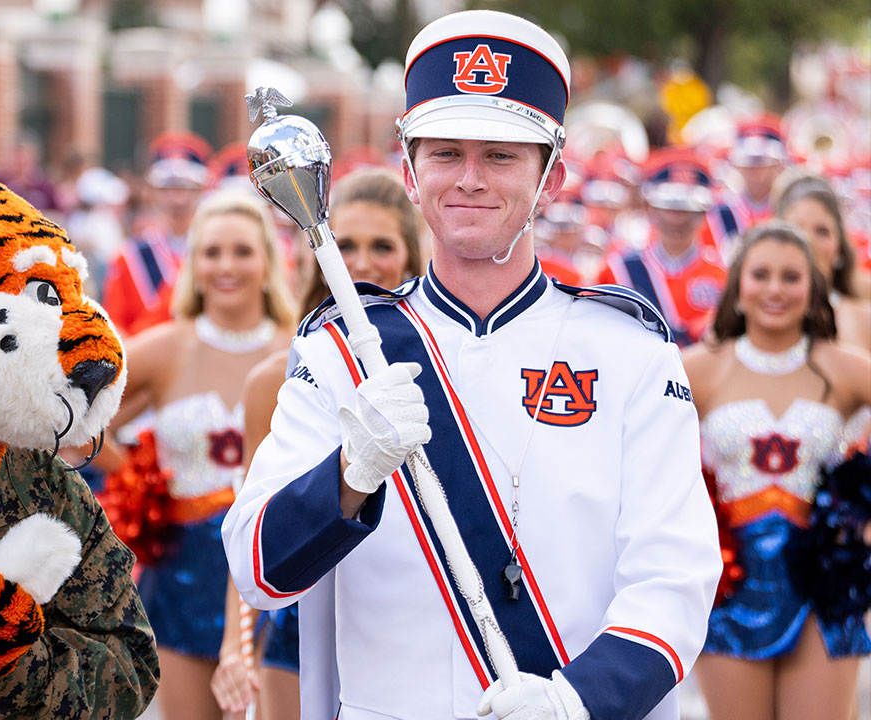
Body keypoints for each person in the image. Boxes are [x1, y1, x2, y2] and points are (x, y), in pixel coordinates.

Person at [223, 10, 721, 720]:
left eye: (502, 156)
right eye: (446, 153)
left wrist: (573, 703)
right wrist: (348, 475)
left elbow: (675, 576)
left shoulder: (630, 352)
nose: (470, 180)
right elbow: (255, 570)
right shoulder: (338, 351)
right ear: (410, 172)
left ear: (550, 179)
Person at [211, 167, 424, 720]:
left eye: (381, 245)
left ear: (409, 255)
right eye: (343, 243)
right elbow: (256, 516)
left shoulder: (439, 364)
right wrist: (236, 645)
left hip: (407, 623)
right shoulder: (276, 376)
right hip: (301, 617)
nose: (359, 261)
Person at [112, 189, 294, 720]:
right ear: (193, 263)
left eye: (241, 251)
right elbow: (78, 426)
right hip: (185, 571)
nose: (226, 266)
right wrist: (136, 479)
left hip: (276, 570)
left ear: (267, 258)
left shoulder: (300, 347)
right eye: (211, 252)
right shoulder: (165, 347)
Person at [682, 223, 870, 720]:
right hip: (730, 582)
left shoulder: (844, 367)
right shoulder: (695, 368)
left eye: (791, 277)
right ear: (738, 284)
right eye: (760, 274)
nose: (774, 289)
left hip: (823, 583)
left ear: (811, 288)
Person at [598, 148, 727, 346]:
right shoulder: (617, 269)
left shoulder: (724, 272)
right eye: (669, 208)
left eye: (686, 209)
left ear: (703, 213)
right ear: (650, 209)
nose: (677, 218)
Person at [102, 131, 212, 336]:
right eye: (167, 188)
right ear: (152, 191)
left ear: (201, 190)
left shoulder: (216, 253)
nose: (177, 199)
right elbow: (115, 324)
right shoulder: (127, 256)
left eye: (186, 188)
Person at [775, 173, 871, 354]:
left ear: (839, 248)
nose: (808, 241)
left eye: (822, 231)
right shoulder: (750, 312)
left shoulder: (864, 318)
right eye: (796, 228)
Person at [704, 115, 789, 263]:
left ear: (779, 163)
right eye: (748, 161)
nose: (755, 169)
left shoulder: (791, 207)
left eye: (763, 162)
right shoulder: (718, 210)